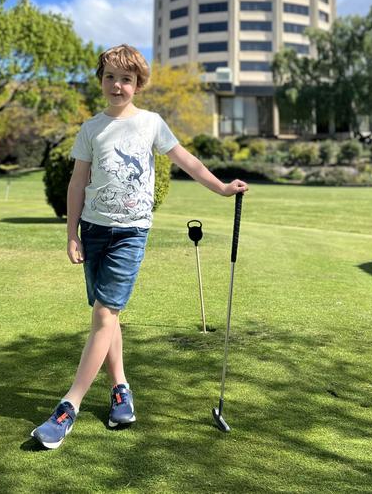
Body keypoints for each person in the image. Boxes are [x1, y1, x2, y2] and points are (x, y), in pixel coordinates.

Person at [31, 44, 249, 448]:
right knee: (106, 317)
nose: (118, 85)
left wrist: (221, 187)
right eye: (110, 77)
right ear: (101, 80)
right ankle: (120, 390)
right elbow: (78, 183)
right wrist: (72, 233)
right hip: (94, 231)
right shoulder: (91, 128)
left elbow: (186, 159)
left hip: (131, 233)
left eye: (126, 79)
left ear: (138, 84)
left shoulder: (151, 123)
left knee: (104, 313)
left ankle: (68, 405)